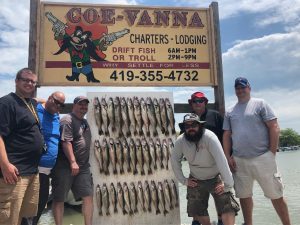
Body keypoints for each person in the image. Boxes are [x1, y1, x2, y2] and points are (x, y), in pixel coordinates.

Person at [223, 77, 291, 225]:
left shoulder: (260, 104)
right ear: (235, 90)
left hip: (263, 157)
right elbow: (227, 134)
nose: (240, 90)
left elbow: (274, 127)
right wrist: (228, 156)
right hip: (239, 160)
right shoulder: (230, 111)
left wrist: (271, 153)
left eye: (243, 87)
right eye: (237, 88)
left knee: (276, 195)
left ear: (249, 88)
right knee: (244, 196)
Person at [171, 113, 239, 225]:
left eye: (194, 125)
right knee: (197, 209)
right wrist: (184, 180)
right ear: (184, 128)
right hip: (195, 179)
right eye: (187, 126)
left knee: (228, 207)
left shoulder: (210, 137)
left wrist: (227, 184)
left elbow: (221, 160)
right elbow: (174, 161)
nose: (191, 128)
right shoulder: (180, 141)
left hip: (216, 176)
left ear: (200, 126)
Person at [0, 68, 44, 225]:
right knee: (9, 218)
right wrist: (5, 165)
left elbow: (40, 101)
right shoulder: (6, 103)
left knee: (26, 217)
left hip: (32, 172)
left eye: (33, 81)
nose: (30, 84)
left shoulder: (30, 103)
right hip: (14, 173)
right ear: (16, 81)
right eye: (26, 80)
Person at [21, 92, 66, 225]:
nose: (58, 106)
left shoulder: (57, 115)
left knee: (41, 203)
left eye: (61, 105)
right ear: (49, 98)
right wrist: (38, 100)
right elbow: (24, 100)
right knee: (27, 206)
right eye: (56, 101)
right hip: (33, 168)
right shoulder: (34, 109)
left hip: (47, 171)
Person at [180, 91, 224, 225]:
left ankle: (221, 221)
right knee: (196, 204)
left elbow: (225, 135)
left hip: (217, 165)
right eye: (195, 101)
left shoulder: (215, 115)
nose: (198, 103)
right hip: (196, 168)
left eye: (200, 101)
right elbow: (182, 143)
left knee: (221, 198)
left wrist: (228, 156)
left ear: (205, 102)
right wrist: (183, 179)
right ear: (191, 103)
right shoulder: (187, 120)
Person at [51, 96, 93, 225]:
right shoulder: (67, 120)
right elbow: (66, 142)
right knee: (59, 199)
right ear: (74, 105)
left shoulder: (84, 122)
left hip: (83, 167)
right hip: (65, 166)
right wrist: (73, 162)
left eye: (85, 105)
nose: (83, 107)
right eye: (80, 104)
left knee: (88, 197)